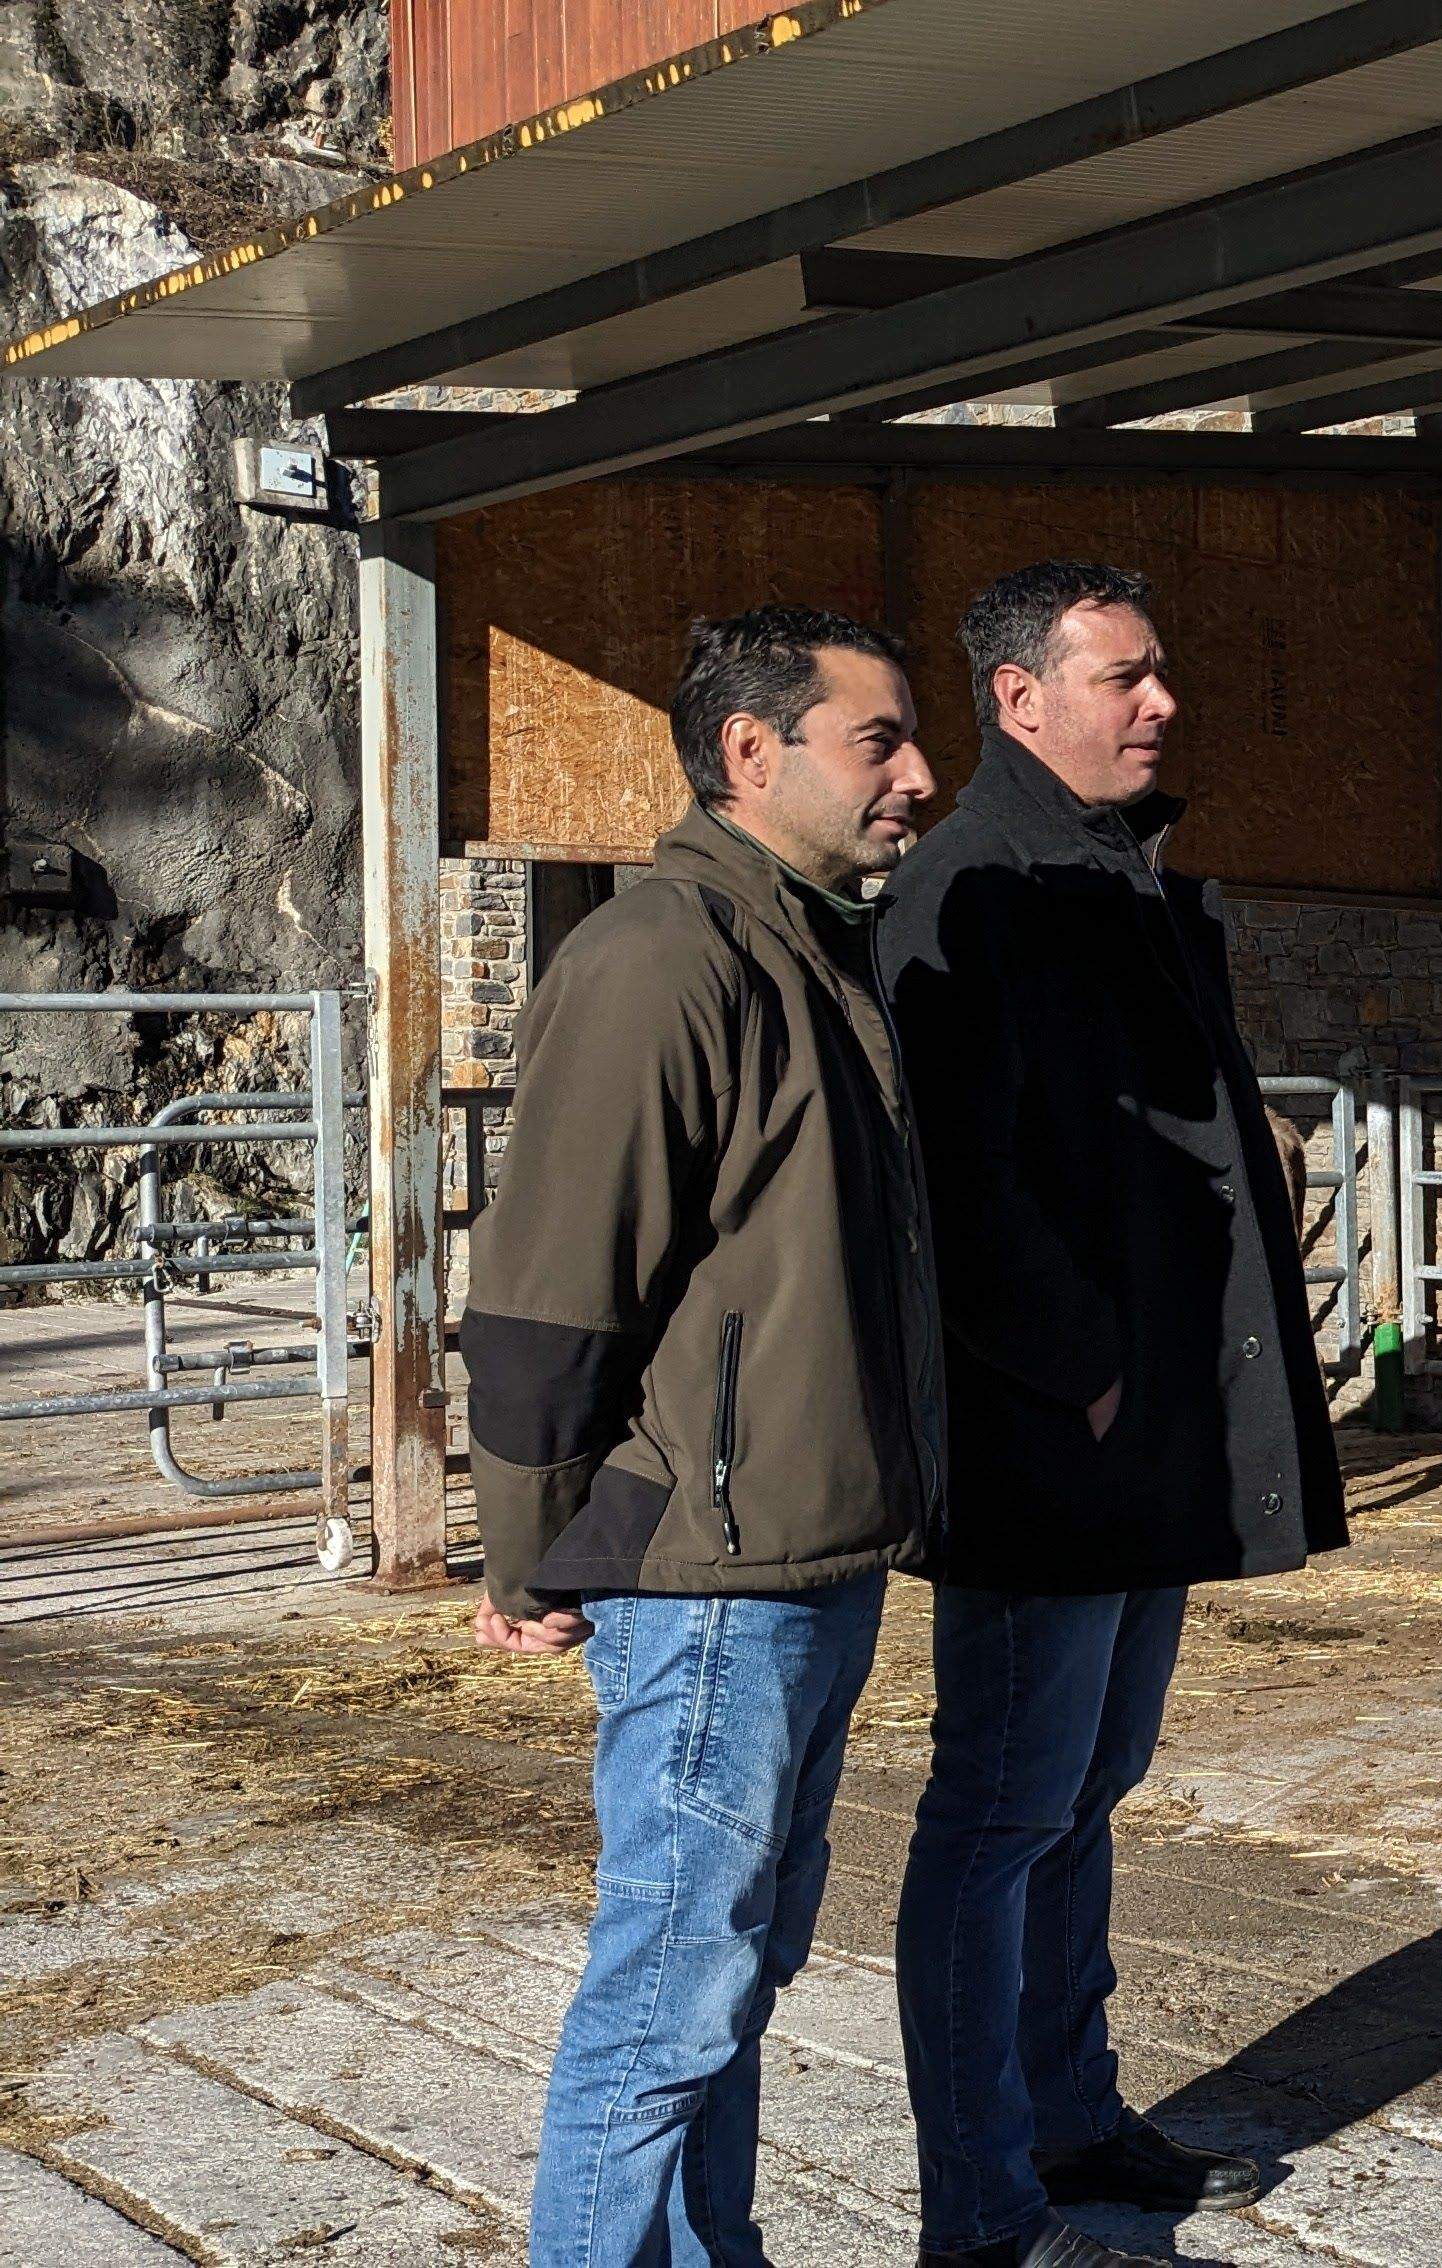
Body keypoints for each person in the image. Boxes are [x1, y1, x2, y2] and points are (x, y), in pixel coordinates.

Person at [465, 605, 946, 2267]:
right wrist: (528, 1553)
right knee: (670, 1991)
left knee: (733, 1977)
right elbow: (548, 1295)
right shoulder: (665, 955)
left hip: (811, 1549)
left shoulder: (816, 945)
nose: (919, 775)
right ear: (754, 751)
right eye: (877, 740)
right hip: (711, 1577)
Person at [881, 560, 1345, 2268]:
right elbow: (956, 1176)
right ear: (1021, 700)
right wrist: (1072, 1361)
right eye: (1125, 679)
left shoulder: (1117, 877)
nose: (1163, 704)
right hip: (1047, 1445)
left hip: (1142, 1431)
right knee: (1001, 1806)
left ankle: (1068, 2121)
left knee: (1087, 1790)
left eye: (1164, 676)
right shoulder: (973, 891)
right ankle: (982, 2197)